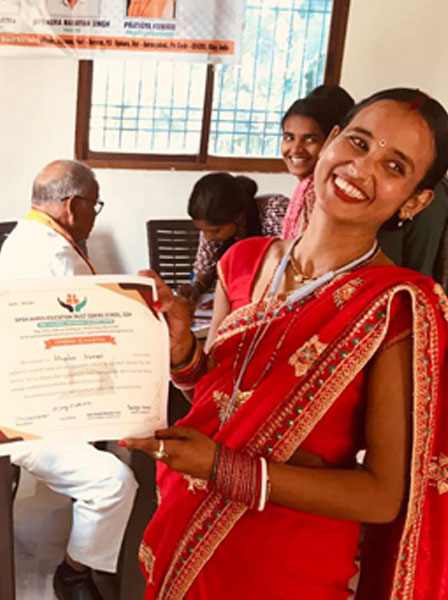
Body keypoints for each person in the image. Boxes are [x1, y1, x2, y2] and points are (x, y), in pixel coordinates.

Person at [122, 88, 448, 599]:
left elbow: (382, 496)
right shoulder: (243, 262)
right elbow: (215, 396)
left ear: (415, 200)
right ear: (332, 140)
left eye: (394, 166)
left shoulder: (395, 307)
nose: (361, 169)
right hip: (183, 530)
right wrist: (183, 352)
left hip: (282, 568)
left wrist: (224, 469)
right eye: (359, 142)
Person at [0, 160, 138, 600]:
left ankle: (100, 552)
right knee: (116, 480)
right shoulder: (53, 257)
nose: (95, 214)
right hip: (19, 413)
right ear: (74, 206)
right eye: (95, 205)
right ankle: (74, 574)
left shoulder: (28, 237)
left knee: (121, 421)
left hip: (23, 394)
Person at [188, 173, 287, 300]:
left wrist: (231, 298)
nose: (207, 237)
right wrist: (196, 288)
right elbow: (204, 269)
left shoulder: (273, 211)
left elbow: (283, 267)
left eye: (215, 231)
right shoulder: (212, 227)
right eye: (202, 230)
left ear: (239, 218)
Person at [280, 86, 354, 239]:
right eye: (289, 137)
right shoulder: (307, 187)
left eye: (310, 139)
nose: (296, 149)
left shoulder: (321, 192)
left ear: (332, 139)